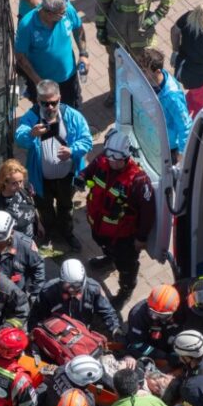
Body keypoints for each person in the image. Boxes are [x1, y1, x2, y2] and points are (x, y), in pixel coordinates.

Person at [14, 80, 92, 252]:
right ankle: (49, 231)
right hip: (41, 179)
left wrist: (72, 150)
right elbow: (19, 137)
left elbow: (87, 140)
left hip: (67, 177)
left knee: (65, 208)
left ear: (59, 98)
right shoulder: (32, 117)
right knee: (44, 208)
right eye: (45, 103)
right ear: (38, 100)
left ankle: (67, 233)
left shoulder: (71, 116)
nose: (50, 107)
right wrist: (31, 133)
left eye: (53, 102)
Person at [80, 130, 155, 307]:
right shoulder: (102, 160)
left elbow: (148, 212)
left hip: (123, 236)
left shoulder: (138, 180)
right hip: (99, 225)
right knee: (103, 244)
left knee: (127, 265)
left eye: (117, 160)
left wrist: (141, 238)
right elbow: (89, 171)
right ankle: (109, 259)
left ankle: (126, 290)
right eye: (110, 158)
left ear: (126, 156)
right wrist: (81, 177)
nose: (112, 162)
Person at [94, 0, 173, 107]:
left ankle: (139, 97)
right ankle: (114, 95)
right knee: (114, 67)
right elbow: (102, 2)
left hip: (140, 38)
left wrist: (156, 17)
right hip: (116, 35)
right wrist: (100, 27)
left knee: (144, 70)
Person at [14, 0, 88, 108]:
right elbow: (20, 56)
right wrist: (38, 81)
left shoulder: (67, 10)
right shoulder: (27, 25)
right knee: (46, 114)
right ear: (48, 13)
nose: (65, 15)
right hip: (44, 82)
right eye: (61, 14)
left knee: (72, 108)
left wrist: (83, 54)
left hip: (69, 77)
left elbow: (79, 28)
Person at [31, 258, 121, 334]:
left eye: (76, 285)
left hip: (83, 331)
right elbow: (36, 314)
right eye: (66, 284)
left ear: (83, 281)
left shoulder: (93, 289)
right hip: (57, 333)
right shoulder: (48, 291)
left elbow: (107, 312)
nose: (71, 289)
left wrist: (115, 329)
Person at [135, 48, 190, 164]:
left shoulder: (172, 97)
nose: (141, 74)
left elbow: (185, 126)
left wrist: (181, 153)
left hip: (167, 146)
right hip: (152, 136)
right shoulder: (150, 81)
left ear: (158, 71)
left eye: (145, 71)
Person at [121, 284, 180, 365]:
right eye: (151, 311)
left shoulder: (179, 311)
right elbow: (137, 343)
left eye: (161, 315)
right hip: (150, 342)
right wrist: (163, 355)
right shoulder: (137, 316)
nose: (154, 317)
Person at [0, 159, 38, 240]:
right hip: (11, 244)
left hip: (29, 239)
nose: (19, 186)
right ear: (4, 182)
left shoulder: (25, 190)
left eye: (21, 181)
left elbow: (32, 206)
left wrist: (39, 224)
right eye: (14, 183)